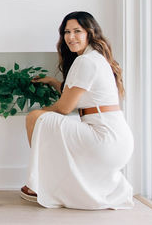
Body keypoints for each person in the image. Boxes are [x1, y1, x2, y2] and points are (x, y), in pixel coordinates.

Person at [20, 11, 134, 209]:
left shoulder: (85, 61)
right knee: (40, 119)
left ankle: (38, 183)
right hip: (117, 139)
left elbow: (64, 107)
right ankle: (47, 179)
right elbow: (79, 95)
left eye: (77, 31)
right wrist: (54, 83)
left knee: (34, 118)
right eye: (66, 32)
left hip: (104, 139)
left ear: (90, 33)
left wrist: (42, 113)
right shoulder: (95, 58)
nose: (70, 37)